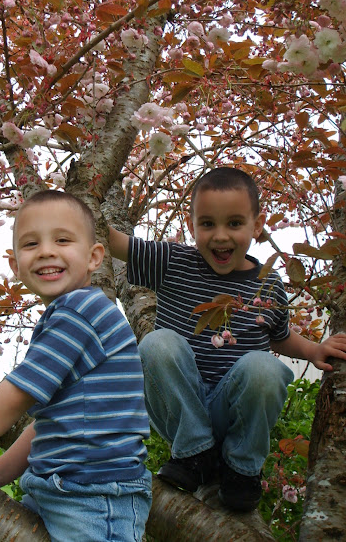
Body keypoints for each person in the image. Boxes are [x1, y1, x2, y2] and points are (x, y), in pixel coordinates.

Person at [109, 167, 346, 512]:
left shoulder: (268, 284)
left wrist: (314, 350)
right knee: (155, 344)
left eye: (234, 223)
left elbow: (279, 337)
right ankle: (195, 454)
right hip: (179, 408)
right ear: (191, 227)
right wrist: (79, 205)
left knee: (265, 368)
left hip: (234, 409)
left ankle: (241, 469)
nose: (220, 236)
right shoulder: (173, 261)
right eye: (207, 224)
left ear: (258, 224)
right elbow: (114, 241)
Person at [0, 190, 152, 542]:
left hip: (93, 499)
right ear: (15, 266)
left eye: (62, 240)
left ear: (94, 258)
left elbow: (18, 394)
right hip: (64, 490)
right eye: (31, 244)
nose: (46, 251)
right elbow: (52, 422)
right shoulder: (73, 313)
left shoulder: (79, 312)